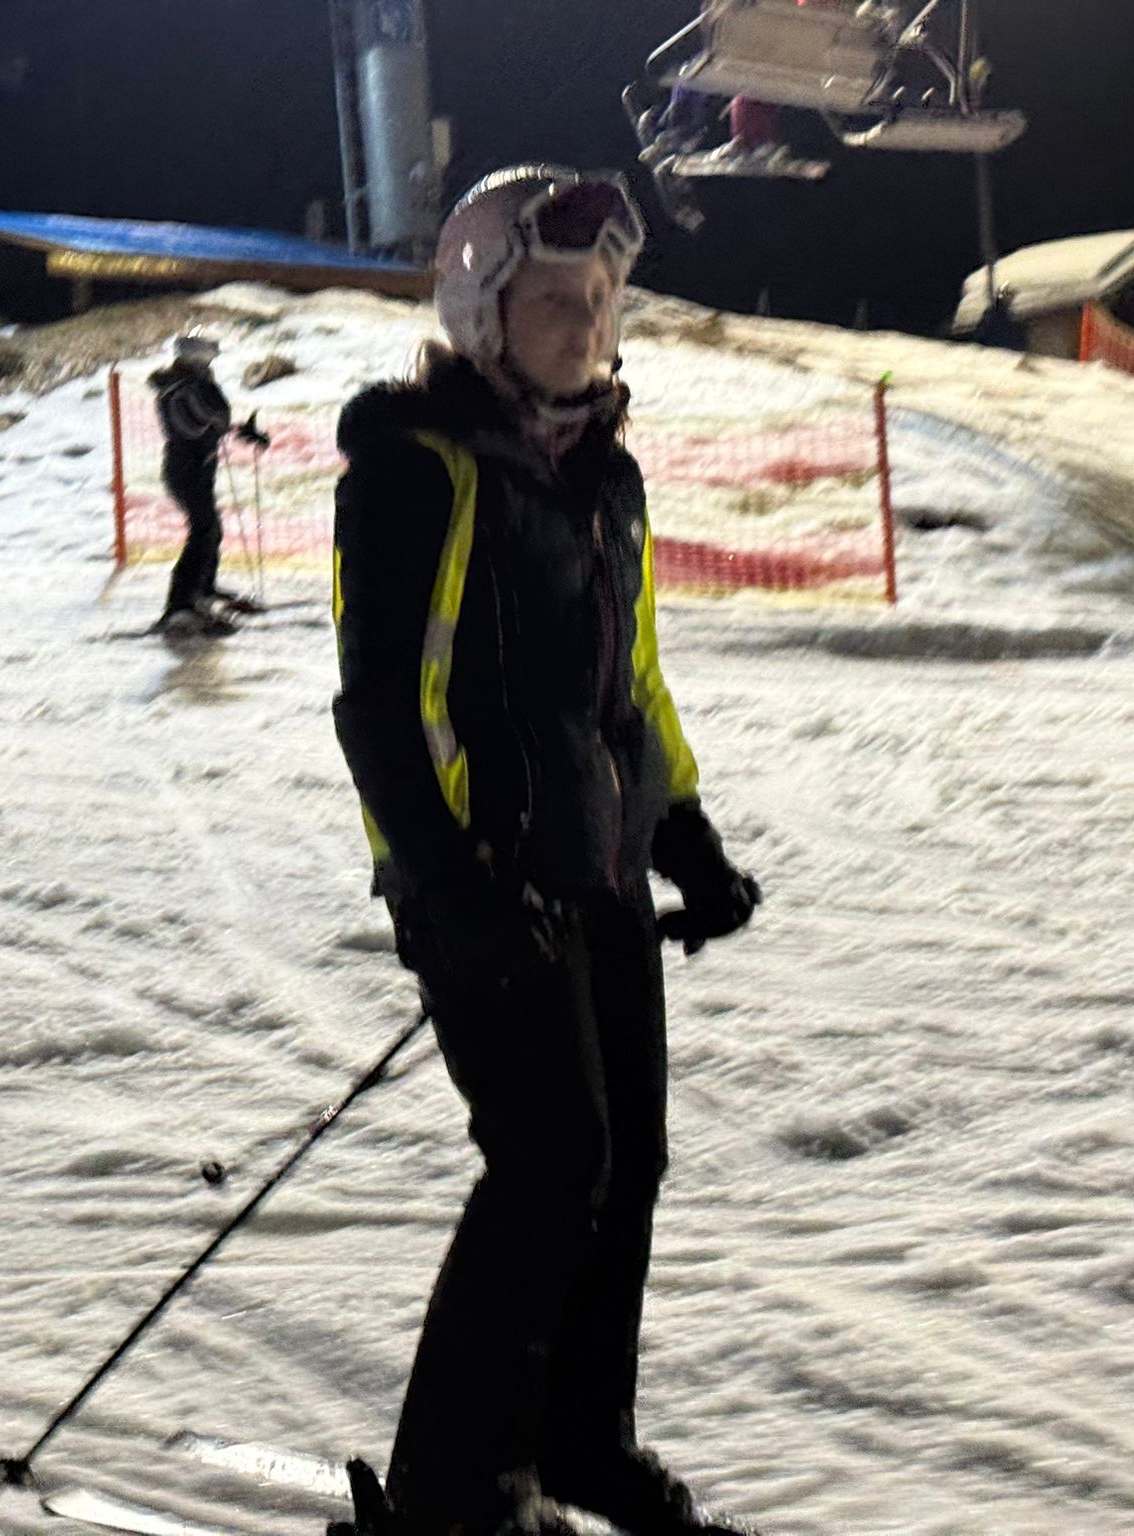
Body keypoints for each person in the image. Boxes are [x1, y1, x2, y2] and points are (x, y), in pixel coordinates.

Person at [330, 167, 764, 1536]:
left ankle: (579, 1441)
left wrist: (681, 833)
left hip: (598, 866)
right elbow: (382, 708)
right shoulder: (418, 471)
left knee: (625, 1164)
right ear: (480, 313)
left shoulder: (602, 477)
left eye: (599, 298)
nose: (584, 324)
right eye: (553, 300)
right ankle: (453, 1490)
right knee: (546, 1167)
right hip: (482, 878)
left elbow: (626, 685)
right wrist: (448, 886)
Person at [148, 330, 270, 634]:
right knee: (203, 531)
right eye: (208, 359)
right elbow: (194, 426)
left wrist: (240, 431)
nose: (211, 365)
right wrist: (220, 426)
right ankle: (179, 604)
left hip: (197, 467)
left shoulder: (191, 385)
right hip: (186, 469)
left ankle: (203, 590)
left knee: (210, 529)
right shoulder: (180, 389)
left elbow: (212, 421)